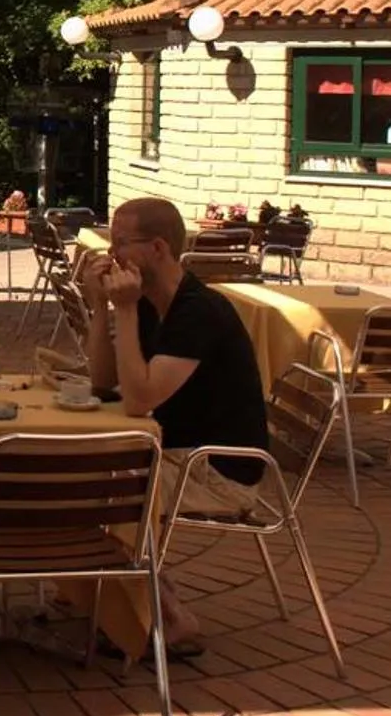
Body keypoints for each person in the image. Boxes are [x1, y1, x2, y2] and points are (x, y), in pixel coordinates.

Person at [79, 196, 271, 653]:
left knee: (101, 485)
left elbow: (139, 398)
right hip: (175, 454)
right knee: (78, 474)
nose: (112, 254)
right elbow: (104, 381)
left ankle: (172, 618)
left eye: (122, 243)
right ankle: (113, 594)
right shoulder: (148, 304)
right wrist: (102, 308)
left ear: (159, 248)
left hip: (219, 471)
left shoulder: (198, 311)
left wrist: (123, 310)